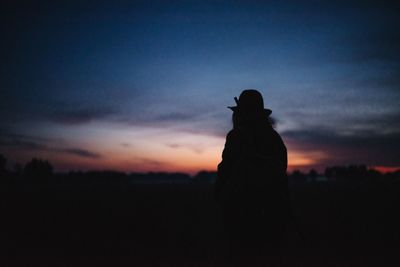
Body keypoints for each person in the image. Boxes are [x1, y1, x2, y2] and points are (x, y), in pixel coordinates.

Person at [215, 89, 290, 265]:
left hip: (241, 211)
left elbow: (226, 168)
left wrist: (219, 193)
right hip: (273, 211)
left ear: (241, 114)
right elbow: (281, 168)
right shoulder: (273, 137)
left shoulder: (236, 136)